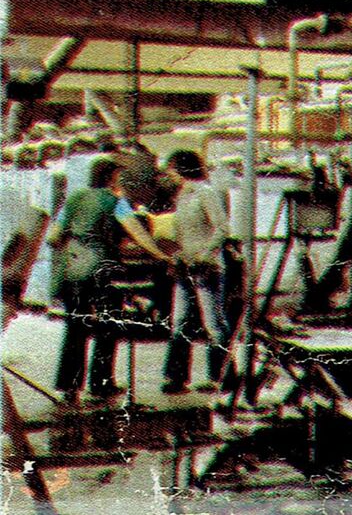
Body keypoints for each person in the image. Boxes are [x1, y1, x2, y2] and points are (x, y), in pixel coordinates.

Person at [47, 154, 169, 404]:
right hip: (102, 270)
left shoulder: (73, 199)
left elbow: (53, 237)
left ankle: (69, 388)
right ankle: (101, 384)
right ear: (112, 177)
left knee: (75, 327)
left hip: (72, 270)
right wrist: (161, 255)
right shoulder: (115, 201)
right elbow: (137, 233)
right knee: (107, 325)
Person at [160, 150, 236, 395]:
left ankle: (222, 378)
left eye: (171, 169)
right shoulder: (182, 195)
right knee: (179, 321)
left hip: (207, 266)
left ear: (182, 169)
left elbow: (222, 228)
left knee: (213, 322)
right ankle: (175, 377)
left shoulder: (206, 193)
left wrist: (206, 253)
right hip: (185, 264)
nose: (169, 175)